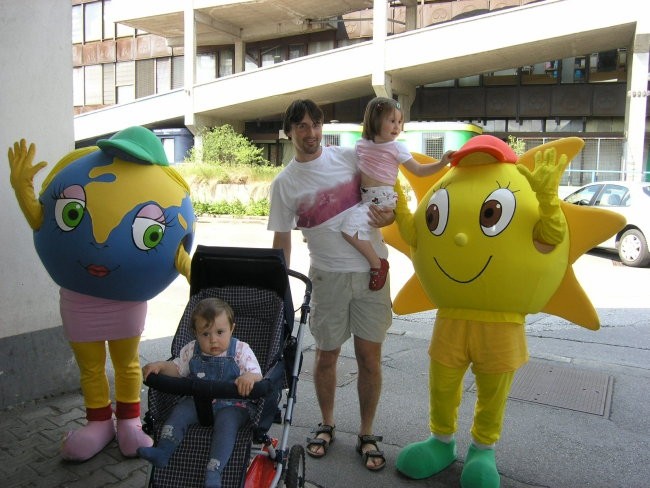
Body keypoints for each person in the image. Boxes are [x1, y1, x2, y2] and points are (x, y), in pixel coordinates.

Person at [268, 99, 396, 471]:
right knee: (326, 357)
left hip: (372, 273)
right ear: (289, 132)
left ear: (323, 126)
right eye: (301, 126)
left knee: (370, 360)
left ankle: (367, 433)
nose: (310, 133)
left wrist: (391, 213)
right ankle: (327, 424)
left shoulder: (348, 158)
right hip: (326, 278)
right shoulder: (284, 183)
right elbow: (282, 240)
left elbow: (386, 200)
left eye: (315, 124)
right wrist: (280, 288)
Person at [136, 298, 262, 488]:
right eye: (205, 333)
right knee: (179, 411)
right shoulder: (191, 350)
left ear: (232, 329)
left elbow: (257, 373)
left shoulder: (240, 350)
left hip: (233, 405)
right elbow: (178, 369)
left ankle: (214, 470)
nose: (213, 340)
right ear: (195, 333)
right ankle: (163, 451)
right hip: (198, 401)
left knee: (227, 425)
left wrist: (249, 378)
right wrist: (161, 366)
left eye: (220, 332)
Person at [342, 96, 455, 290]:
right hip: (367, 198)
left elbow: (418, 170)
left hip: (382, 199)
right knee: (357, 230)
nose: (397, 126)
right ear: (375, 120)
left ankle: (377, 264)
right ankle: (373, 262)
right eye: (392, 121)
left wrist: (442, 162)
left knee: (347, 230)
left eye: (400, 122)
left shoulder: (396, 147)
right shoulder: (361, 145)